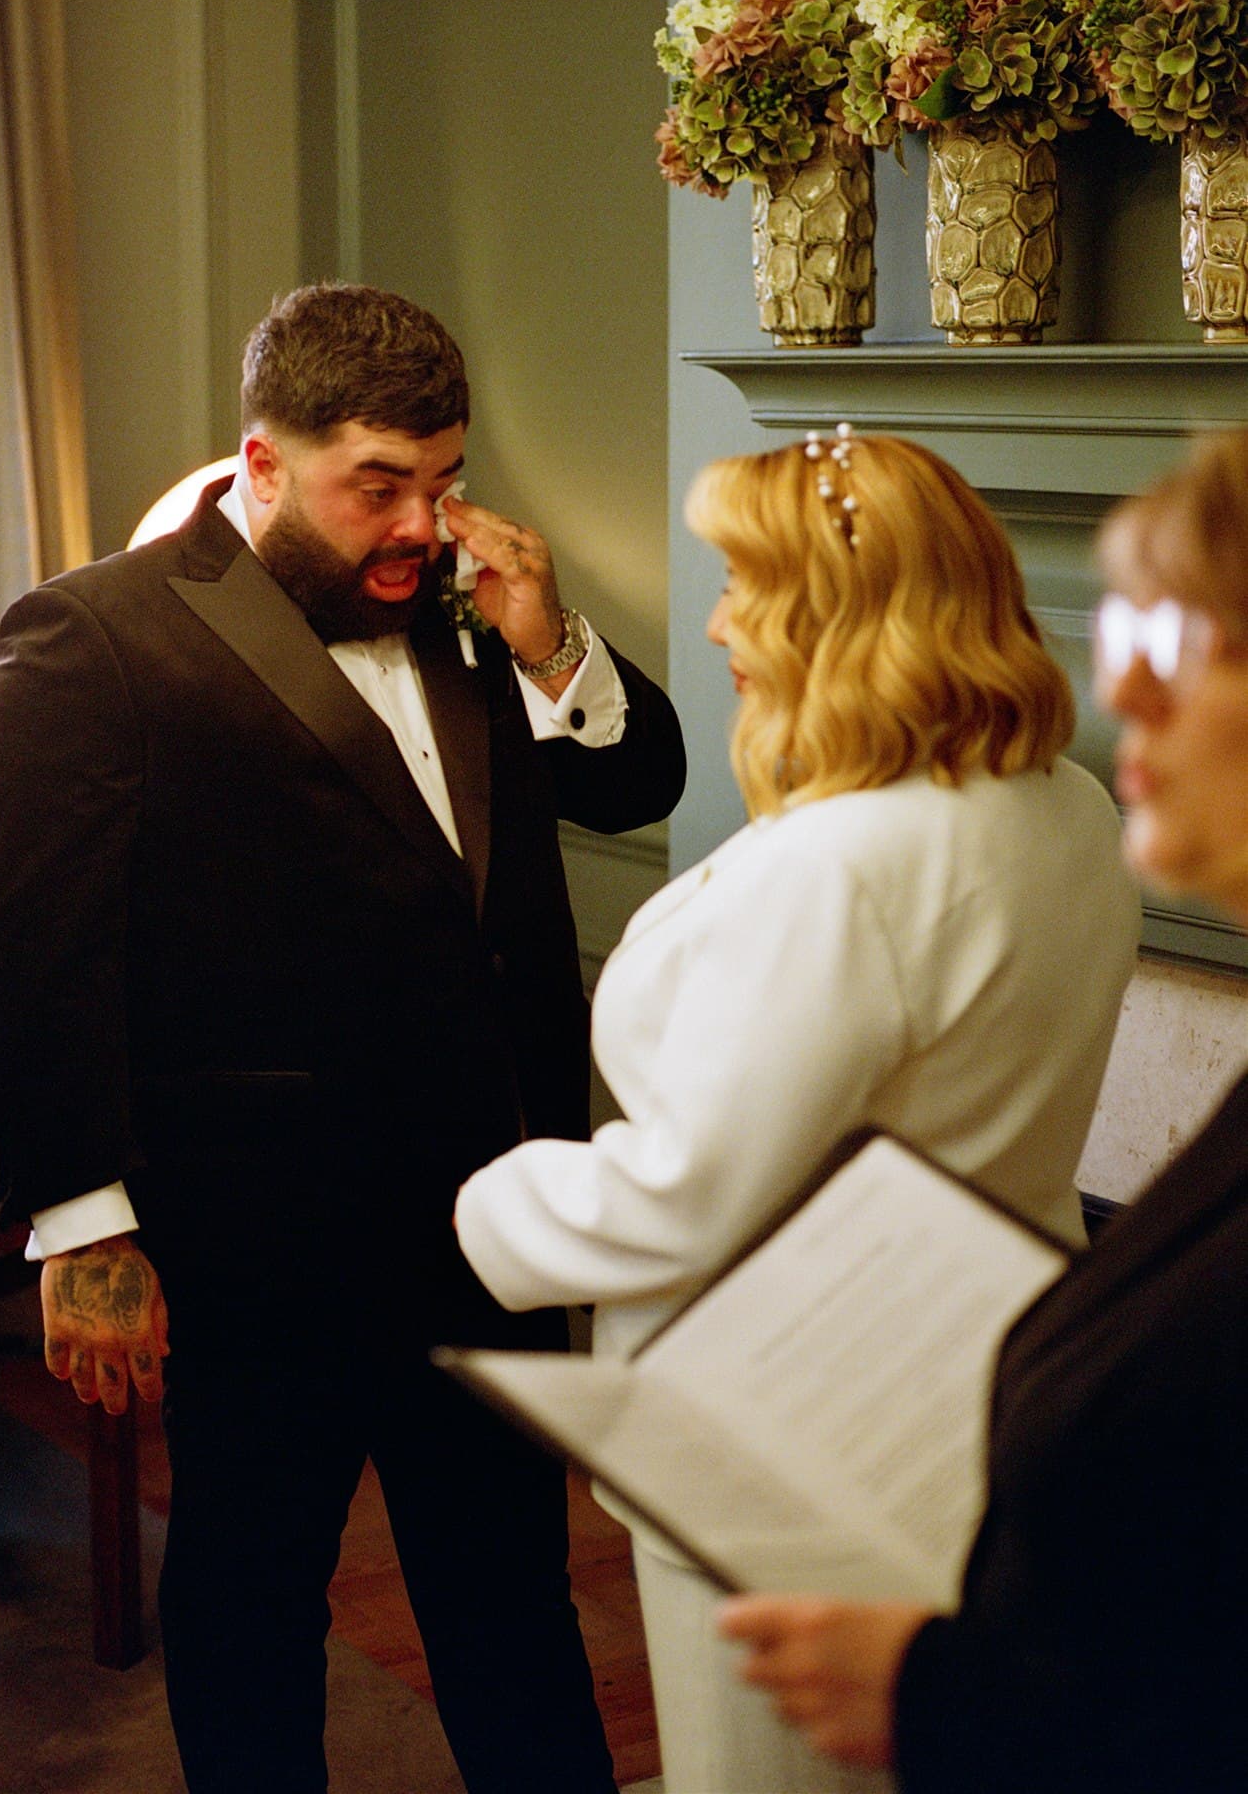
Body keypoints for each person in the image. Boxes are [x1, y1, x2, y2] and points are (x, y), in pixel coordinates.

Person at [0, 282, 686, 1794]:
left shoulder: (475, 614)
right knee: (251, 1603)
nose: (422, 523)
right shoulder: (93, 636)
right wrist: (86, 1227)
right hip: (259, 1244)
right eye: (379, 485)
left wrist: (555, 648)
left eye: (445, 479)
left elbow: (632, 787)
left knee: (512, 1607)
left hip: (491, 1221)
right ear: (265, 462)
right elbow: (27, 957)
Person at [454, 429, 1139, 1793]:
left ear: (841, 615)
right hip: (987, 1390)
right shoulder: (1073, 809)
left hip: (784, 1429)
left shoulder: (839, 872)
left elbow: (685, 1196)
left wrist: (486, 1197)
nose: (713, 624)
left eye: (741, 590)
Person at [718, 425, 1248, 1794]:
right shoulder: (1052, 814)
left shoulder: (844, 863)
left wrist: (951, 1702)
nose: (1119, 675)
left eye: (1186, 637)